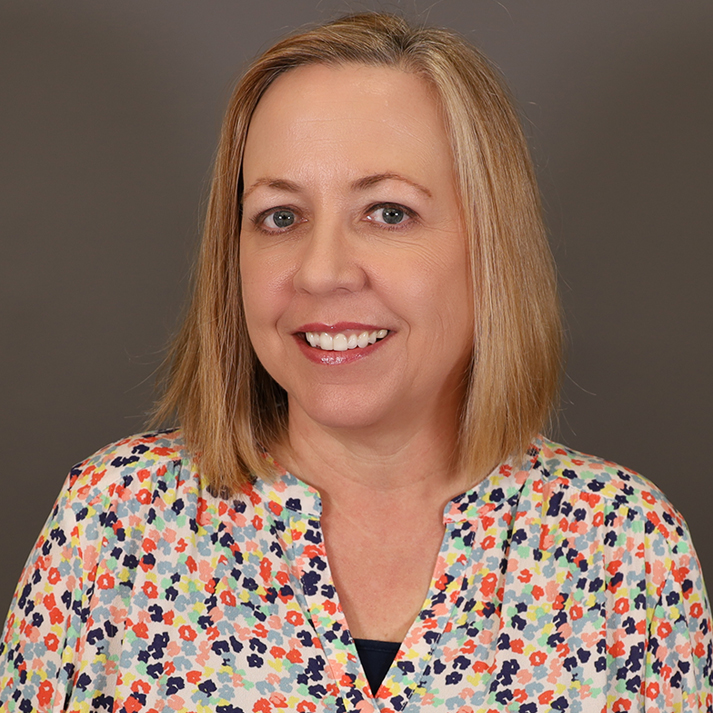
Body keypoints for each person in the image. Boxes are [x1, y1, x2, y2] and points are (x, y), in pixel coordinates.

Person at [0, 11, 711, 712]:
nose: (322, 272)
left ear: (490, 242)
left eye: (388, 212)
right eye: (280, 216)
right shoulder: (114, 521)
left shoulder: (627, 547)